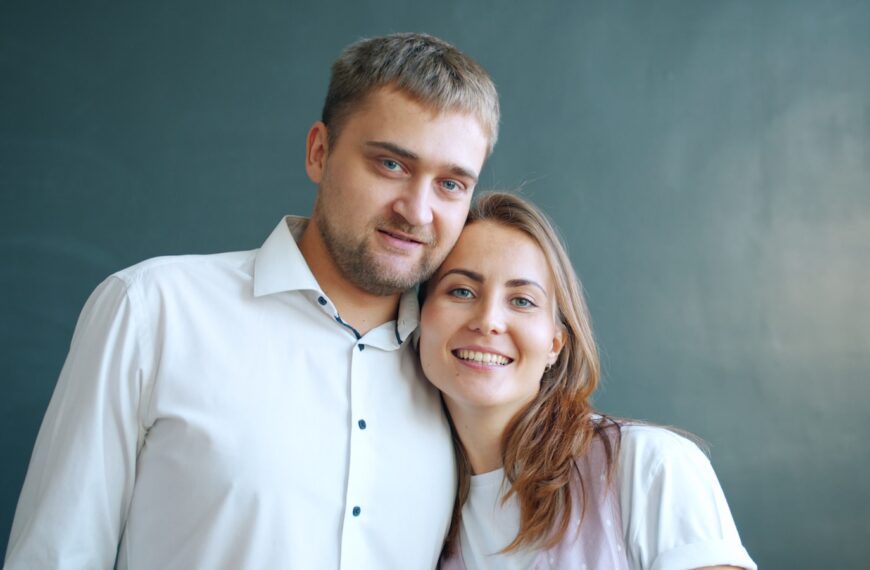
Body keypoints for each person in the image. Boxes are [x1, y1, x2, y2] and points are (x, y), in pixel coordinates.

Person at [5, 33, 499, 569]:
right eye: (391, 165)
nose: (417, 210)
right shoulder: (153, 310)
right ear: (319, 151)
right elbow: (55, 556)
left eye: (451, 184)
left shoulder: (460, 374)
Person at [418, 192, 757, 569]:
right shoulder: (418, 515)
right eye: (461, 291)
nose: (489, 320)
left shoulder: (649, 467)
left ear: (554, 344)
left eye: (522, 301)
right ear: (418, 320)